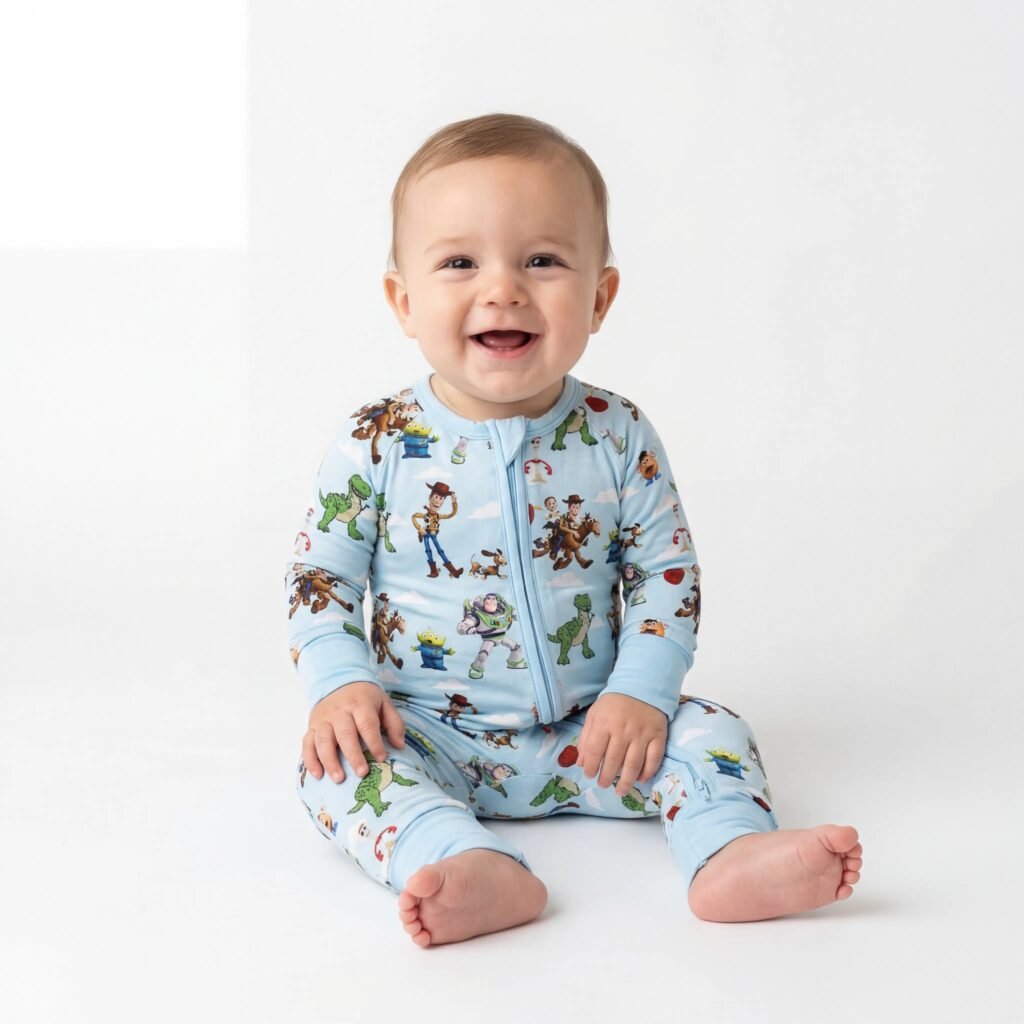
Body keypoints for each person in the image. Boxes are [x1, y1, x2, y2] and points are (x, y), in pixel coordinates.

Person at [286, 112, 862, 948]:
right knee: (334, 770)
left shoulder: (616, 434)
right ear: (404, 302)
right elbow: (323, 577)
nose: (503, 290)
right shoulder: (374, 442)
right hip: (430, 732)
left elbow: (666, 572)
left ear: (599, 297)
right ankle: (457, 858)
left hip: (598, 734)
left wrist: (640, 694)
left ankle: (728, 850)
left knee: (715, 731)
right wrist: (339, 684)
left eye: (542, 261)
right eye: (460, 263)